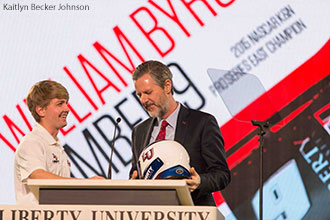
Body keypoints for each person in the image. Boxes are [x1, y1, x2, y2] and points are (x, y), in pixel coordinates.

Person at [129, 60, 231, 206]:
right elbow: (136, 174)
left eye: (148, 92)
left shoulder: (202, 122)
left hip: (195, 210)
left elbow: (222, 174)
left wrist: (199, 182)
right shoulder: (139, 132)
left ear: (167, 86)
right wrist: (133, 184)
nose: (143, 100)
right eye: (139, 95)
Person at [14, 80, 104, 205]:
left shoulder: (56, 146)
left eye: (66, 103)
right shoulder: (32, 142)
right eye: (60, 104)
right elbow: (38, 176)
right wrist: (85, 184)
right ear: (41, 110)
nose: (67, 109)